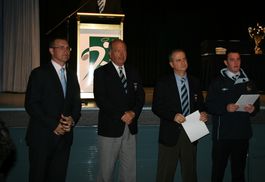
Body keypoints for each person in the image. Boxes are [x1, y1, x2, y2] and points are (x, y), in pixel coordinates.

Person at [24, 37, 81, 182]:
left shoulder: (72, 75)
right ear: (51, 50)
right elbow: (31, 104)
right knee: (38, 177)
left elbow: (76, 103)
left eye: (68, 48)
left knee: (58, 177)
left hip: (64, 140)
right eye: (61, 47)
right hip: (42, 138)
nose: (66, 51)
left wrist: (72, 119)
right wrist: (54, 125)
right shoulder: (39, 73)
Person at [152, 49, 208, 182]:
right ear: (171, 64)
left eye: (184, 59)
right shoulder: (163, 82)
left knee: (190, 174)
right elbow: (157, 107)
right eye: (178, 60)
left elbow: (200, 105)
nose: (183, 62)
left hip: (192, 131)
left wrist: (203, 113)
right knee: (165, 175)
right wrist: (173, 116)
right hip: (170, 133)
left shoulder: (195, 82)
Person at [93, 38, 145, 182]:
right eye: (117, 50)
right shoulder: (101, 73)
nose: (121, 54)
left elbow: (140, 96)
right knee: (105, 173)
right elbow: (101, 99)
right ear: (110, 54)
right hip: (110, 128)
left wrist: (133, 113)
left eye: (124, 50)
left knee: (129, 173)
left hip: (130, 127)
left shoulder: (133, 71)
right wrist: (122, 115)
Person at [206, 49, 260, 182]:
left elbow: (257, 105)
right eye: (232, 59)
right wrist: (225, 108)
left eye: (238, 59)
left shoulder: (249, 82)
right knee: (218, 173)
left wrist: (253, 109)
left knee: (239, 174)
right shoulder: (217, 82)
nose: (236, 62)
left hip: (242, 135)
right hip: (223, 136)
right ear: (226, 62)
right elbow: (209, 105)